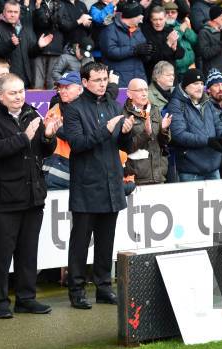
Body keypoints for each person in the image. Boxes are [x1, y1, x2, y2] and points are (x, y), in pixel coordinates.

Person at [0, 73, 57, 318]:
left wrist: (49, 136)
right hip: (4, 198)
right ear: (0, 95)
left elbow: (44, 150)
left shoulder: (31, 114)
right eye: (13, 93)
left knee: (28, 251)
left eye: (21, 91)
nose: (19, 97)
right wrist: (25, 137)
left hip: (33, 194)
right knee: (2, 253)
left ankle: (26, 298)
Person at [60, 62, 135, 309]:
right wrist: (107, 129)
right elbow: (78, 144)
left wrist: (126, 132)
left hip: (111, 182)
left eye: (105, 79)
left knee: (107, 241)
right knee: (80, 242)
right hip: (86, 185)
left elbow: (124, 146)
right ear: (84, 82)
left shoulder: (113, 105)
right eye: (97, 79)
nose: (102, 83)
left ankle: (104, 286)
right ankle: (77, 290)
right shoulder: (73, 110)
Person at [167, 68, 222, 181]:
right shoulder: (176, 105)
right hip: (191, 170)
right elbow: (179, 135)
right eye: (195, 84)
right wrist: (208, 141)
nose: (200, 87)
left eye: (201, 84)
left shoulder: (207, 102)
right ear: (185, 86)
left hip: (213, 167)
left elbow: (217, 123)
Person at [0, 0, 54, 87]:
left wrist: (39, 46)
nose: (13, 14)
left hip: (24, 80)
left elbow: (31, 54)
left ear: (19, 13)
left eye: (16, 12)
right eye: (9, 11)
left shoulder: (23, 29)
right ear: (4, 12)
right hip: (5, 81)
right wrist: (10, 44)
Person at [122, 78, 172, 185]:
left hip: (158, 175)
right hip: (137, 179)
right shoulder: (123, 115)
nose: (144, 93)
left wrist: (164, 130)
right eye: (140, 90)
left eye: (146, 90)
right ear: (129, 94)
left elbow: (164, 143)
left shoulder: (154, 110)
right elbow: (125, 148)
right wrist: (145, 134)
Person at [100, 1, 150, 86]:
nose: (141, 19)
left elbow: (142, 49)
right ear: (133, 17)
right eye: (139, 16)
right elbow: (111, 51)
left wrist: (148, 51)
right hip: (120, 79)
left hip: (139, 77)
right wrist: (134, 50)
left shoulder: (137, 30)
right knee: (121, 99)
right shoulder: (110, 30)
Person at [141, 6, 184, 80]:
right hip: (153, 75)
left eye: (161, 19)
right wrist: (168, 44)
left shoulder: (170, 31)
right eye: (155, 19)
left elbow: (181, 54)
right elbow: (154, 57)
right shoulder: (145, 33)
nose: (158, 22)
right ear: (151, 19)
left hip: (171, 75)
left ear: (165, 18)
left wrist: (175, 49)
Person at [197, 5, 222, 77]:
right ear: (215, 18)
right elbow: (206, 54)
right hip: (213, 75)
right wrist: (220, 44)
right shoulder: (204, 32)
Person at [166, 3, 197, 78]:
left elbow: (195, 40)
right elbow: (172, 40)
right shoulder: (163, 27)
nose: (170, 14)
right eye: (167, 12)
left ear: (177, 14)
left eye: (173, 12)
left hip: (189, 67)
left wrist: (186, 29)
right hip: (175, 70)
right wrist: (181, 29)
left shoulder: (181, 25)